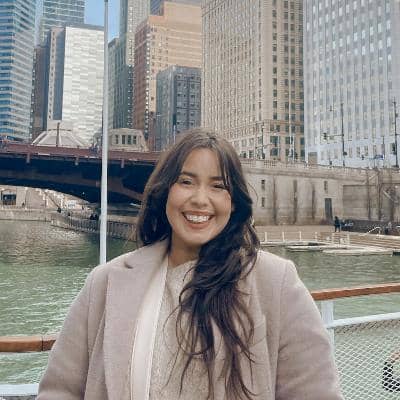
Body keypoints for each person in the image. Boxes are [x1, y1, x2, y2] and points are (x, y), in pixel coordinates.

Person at [37, 129, 343, 400]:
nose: (200, 199)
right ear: (165, 191)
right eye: (186, 181)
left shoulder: (276, 283)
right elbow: (61, 391)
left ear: (233, 202)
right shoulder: (104, 283)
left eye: (218, 186)